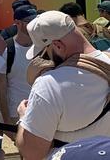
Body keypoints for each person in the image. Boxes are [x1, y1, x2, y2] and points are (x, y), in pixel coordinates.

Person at [16, 10, 110, 159]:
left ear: (58, 45)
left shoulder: (48, 84)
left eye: (45, 52)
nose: (45, 58)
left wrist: (24, 117)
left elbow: (32, 153)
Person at [0, 4, 36, 131]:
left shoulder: (42, 47)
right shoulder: (7, 50)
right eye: (29, 21)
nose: (34, 24)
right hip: (16, 115)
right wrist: (7, 121)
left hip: (41, 113)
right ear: (17, 23)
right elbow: (0, 88)